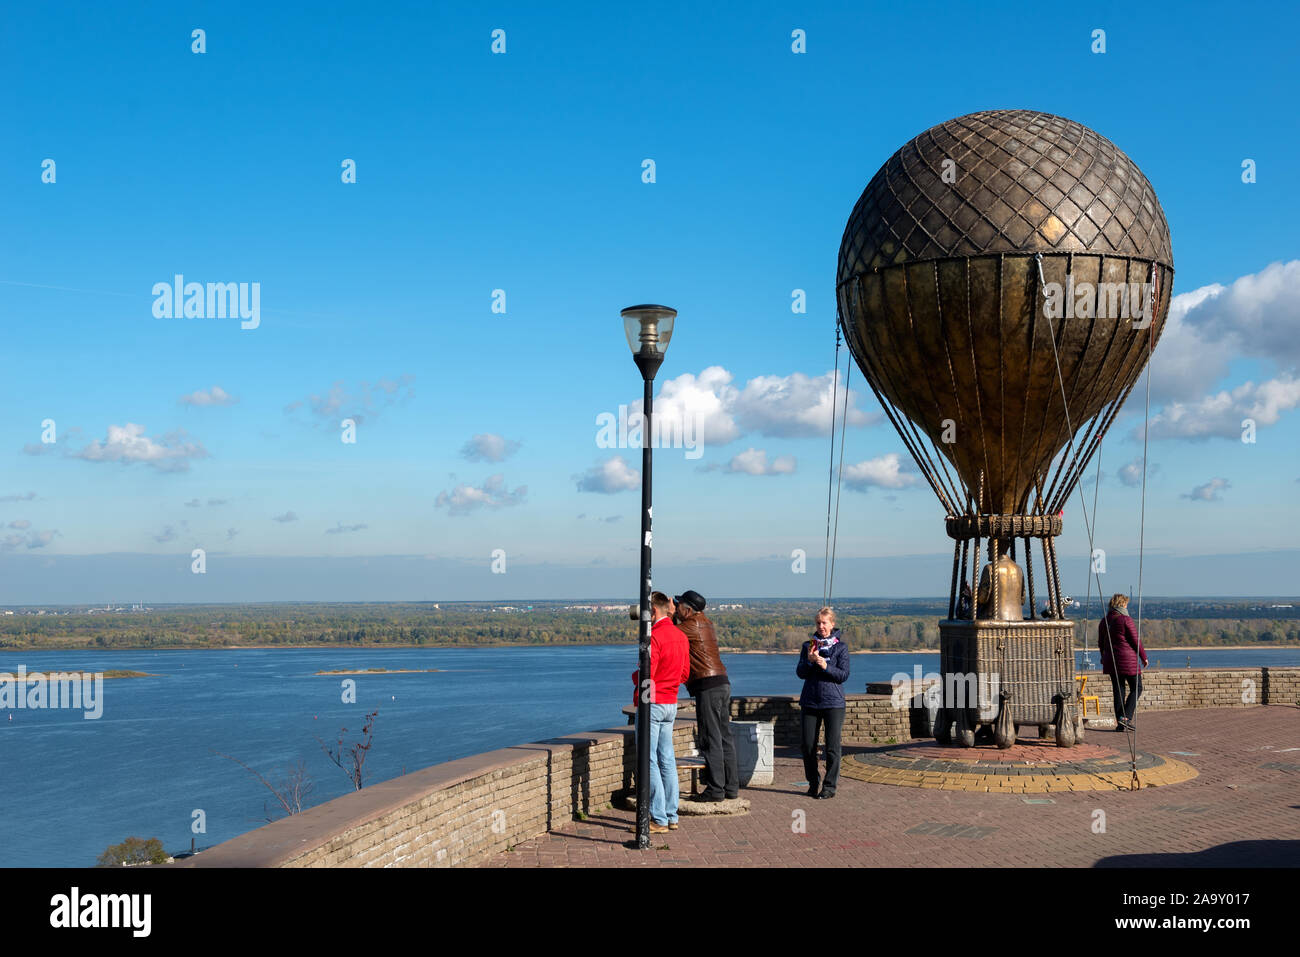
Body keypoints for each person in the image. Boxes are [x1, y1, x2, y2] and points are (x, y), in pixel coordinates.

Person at [630, 592, 691, 832]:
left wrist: (635, 678)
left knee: (649, 759)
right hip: (671, 702)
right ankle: (671, 814)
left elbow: (647, 676)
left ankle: (658, 818)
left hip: (653, 704)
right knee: (667, 759)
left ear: (653, 612)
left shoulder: (653, 637)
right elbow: (685, 674)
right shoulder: (681, 636)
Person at [673, 589, 738, 802]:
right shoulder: (707, 623)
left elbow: (669, 636)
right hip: (722, 681)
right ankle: (731, 787)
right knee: (724, 736)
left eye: (678, 605)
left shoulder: (691, 625)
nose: (676, 608)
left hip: (707, 685)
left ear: (688, 609)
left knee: (711, 739)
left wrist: (669, 617)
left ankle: (715, 790)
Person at [796, 607, 850, 799]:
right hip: (810, 701)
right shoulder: (808, 645)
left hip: (833, 703)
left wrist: (826, 666)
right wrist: (810, 661)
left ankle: (829, 786)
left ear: (832, 624)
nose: (821, 627)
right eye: (818, 623)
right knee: (807, 746)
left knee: (832, 747)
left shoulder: (840, 647)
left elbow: (843, 675)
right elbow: (800, 673)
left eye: (824, 623)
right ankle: (813, 782)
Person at [1098, 593, 1146, 731]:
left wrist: (1103, 656)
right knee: (1137, 687)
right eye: (1126, 604)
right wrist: (1143, 657)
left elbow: (1101, 643)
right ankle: (1126, 717)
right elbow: (1135, 641)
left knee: (1118, 691)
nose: (1127, 606)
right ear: (1122, 605)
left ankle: (1120, 723)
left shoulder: (1104, 621)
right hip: (1127, 660)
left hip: (1111, 661)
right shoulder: (1126, 620)